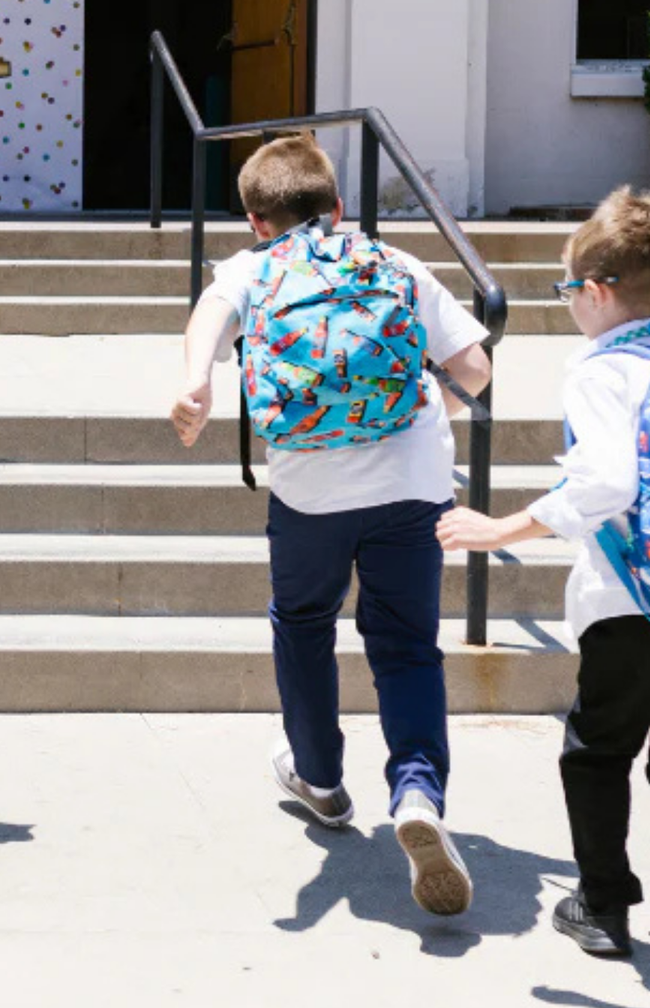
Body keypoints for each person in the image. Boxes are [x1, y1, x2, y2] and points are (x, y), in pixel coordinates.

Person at [439, 187, 650, 956]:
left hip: (636, 607)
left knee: (595, 752)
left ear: (594, 291)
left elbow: (606, 483)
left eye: (569, 291)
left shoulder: (600, 370)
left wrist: (501, 529)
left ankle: (602, 905)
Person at [171, 135, 492, 915]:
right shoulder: (395, 263)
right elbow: (476, 369)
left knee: (305, 623)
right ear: (339, 207)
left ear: (255, 220)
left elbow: (206, 327)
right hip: (413, 485)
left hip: (310, 490)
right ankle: (416, 794)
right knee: (407, 645)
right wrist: (426, 417)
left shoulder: (252, 268)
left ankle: (319, 778)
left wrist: (193, 388)